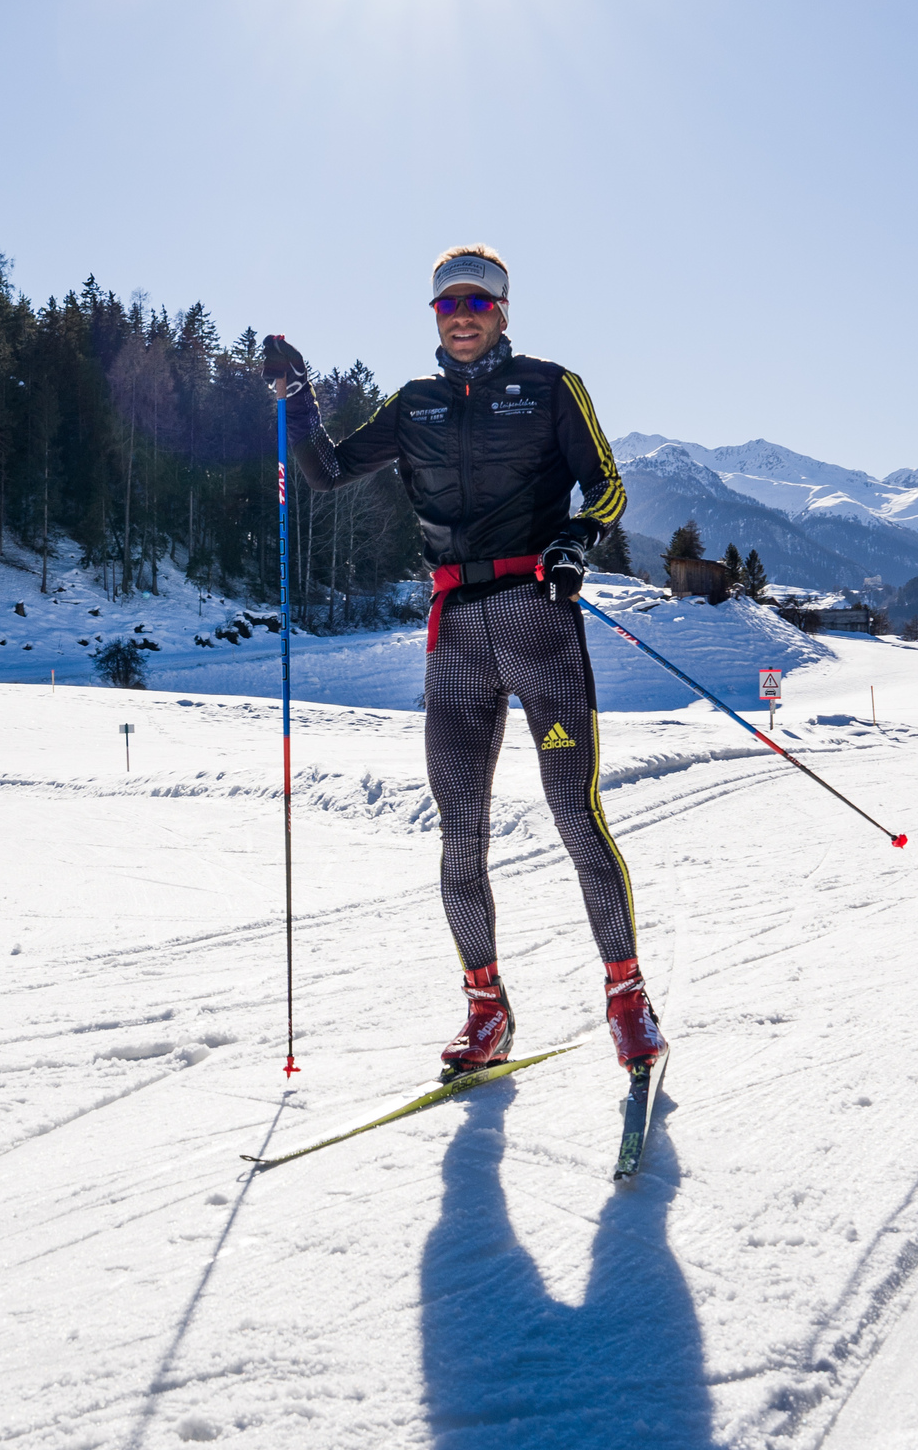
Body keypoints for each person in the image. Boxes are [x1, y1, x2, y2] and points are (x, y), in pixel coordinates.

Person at [264, 244, 666, 1077]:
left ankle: (627, 996)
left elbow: (608, 490)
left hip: (539, 621)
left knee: (574, 816)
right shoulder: (413, 405)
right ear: (435, 316)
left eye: (478, 302)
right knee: (459, 838)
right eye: (448, 304)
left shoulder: (552, 387)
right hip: (455, 635)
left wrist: (574, 540)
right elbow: (330, 474)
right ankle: (486, 1010)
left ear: (504, 311)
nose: (463, 315)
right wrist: (298, 403)